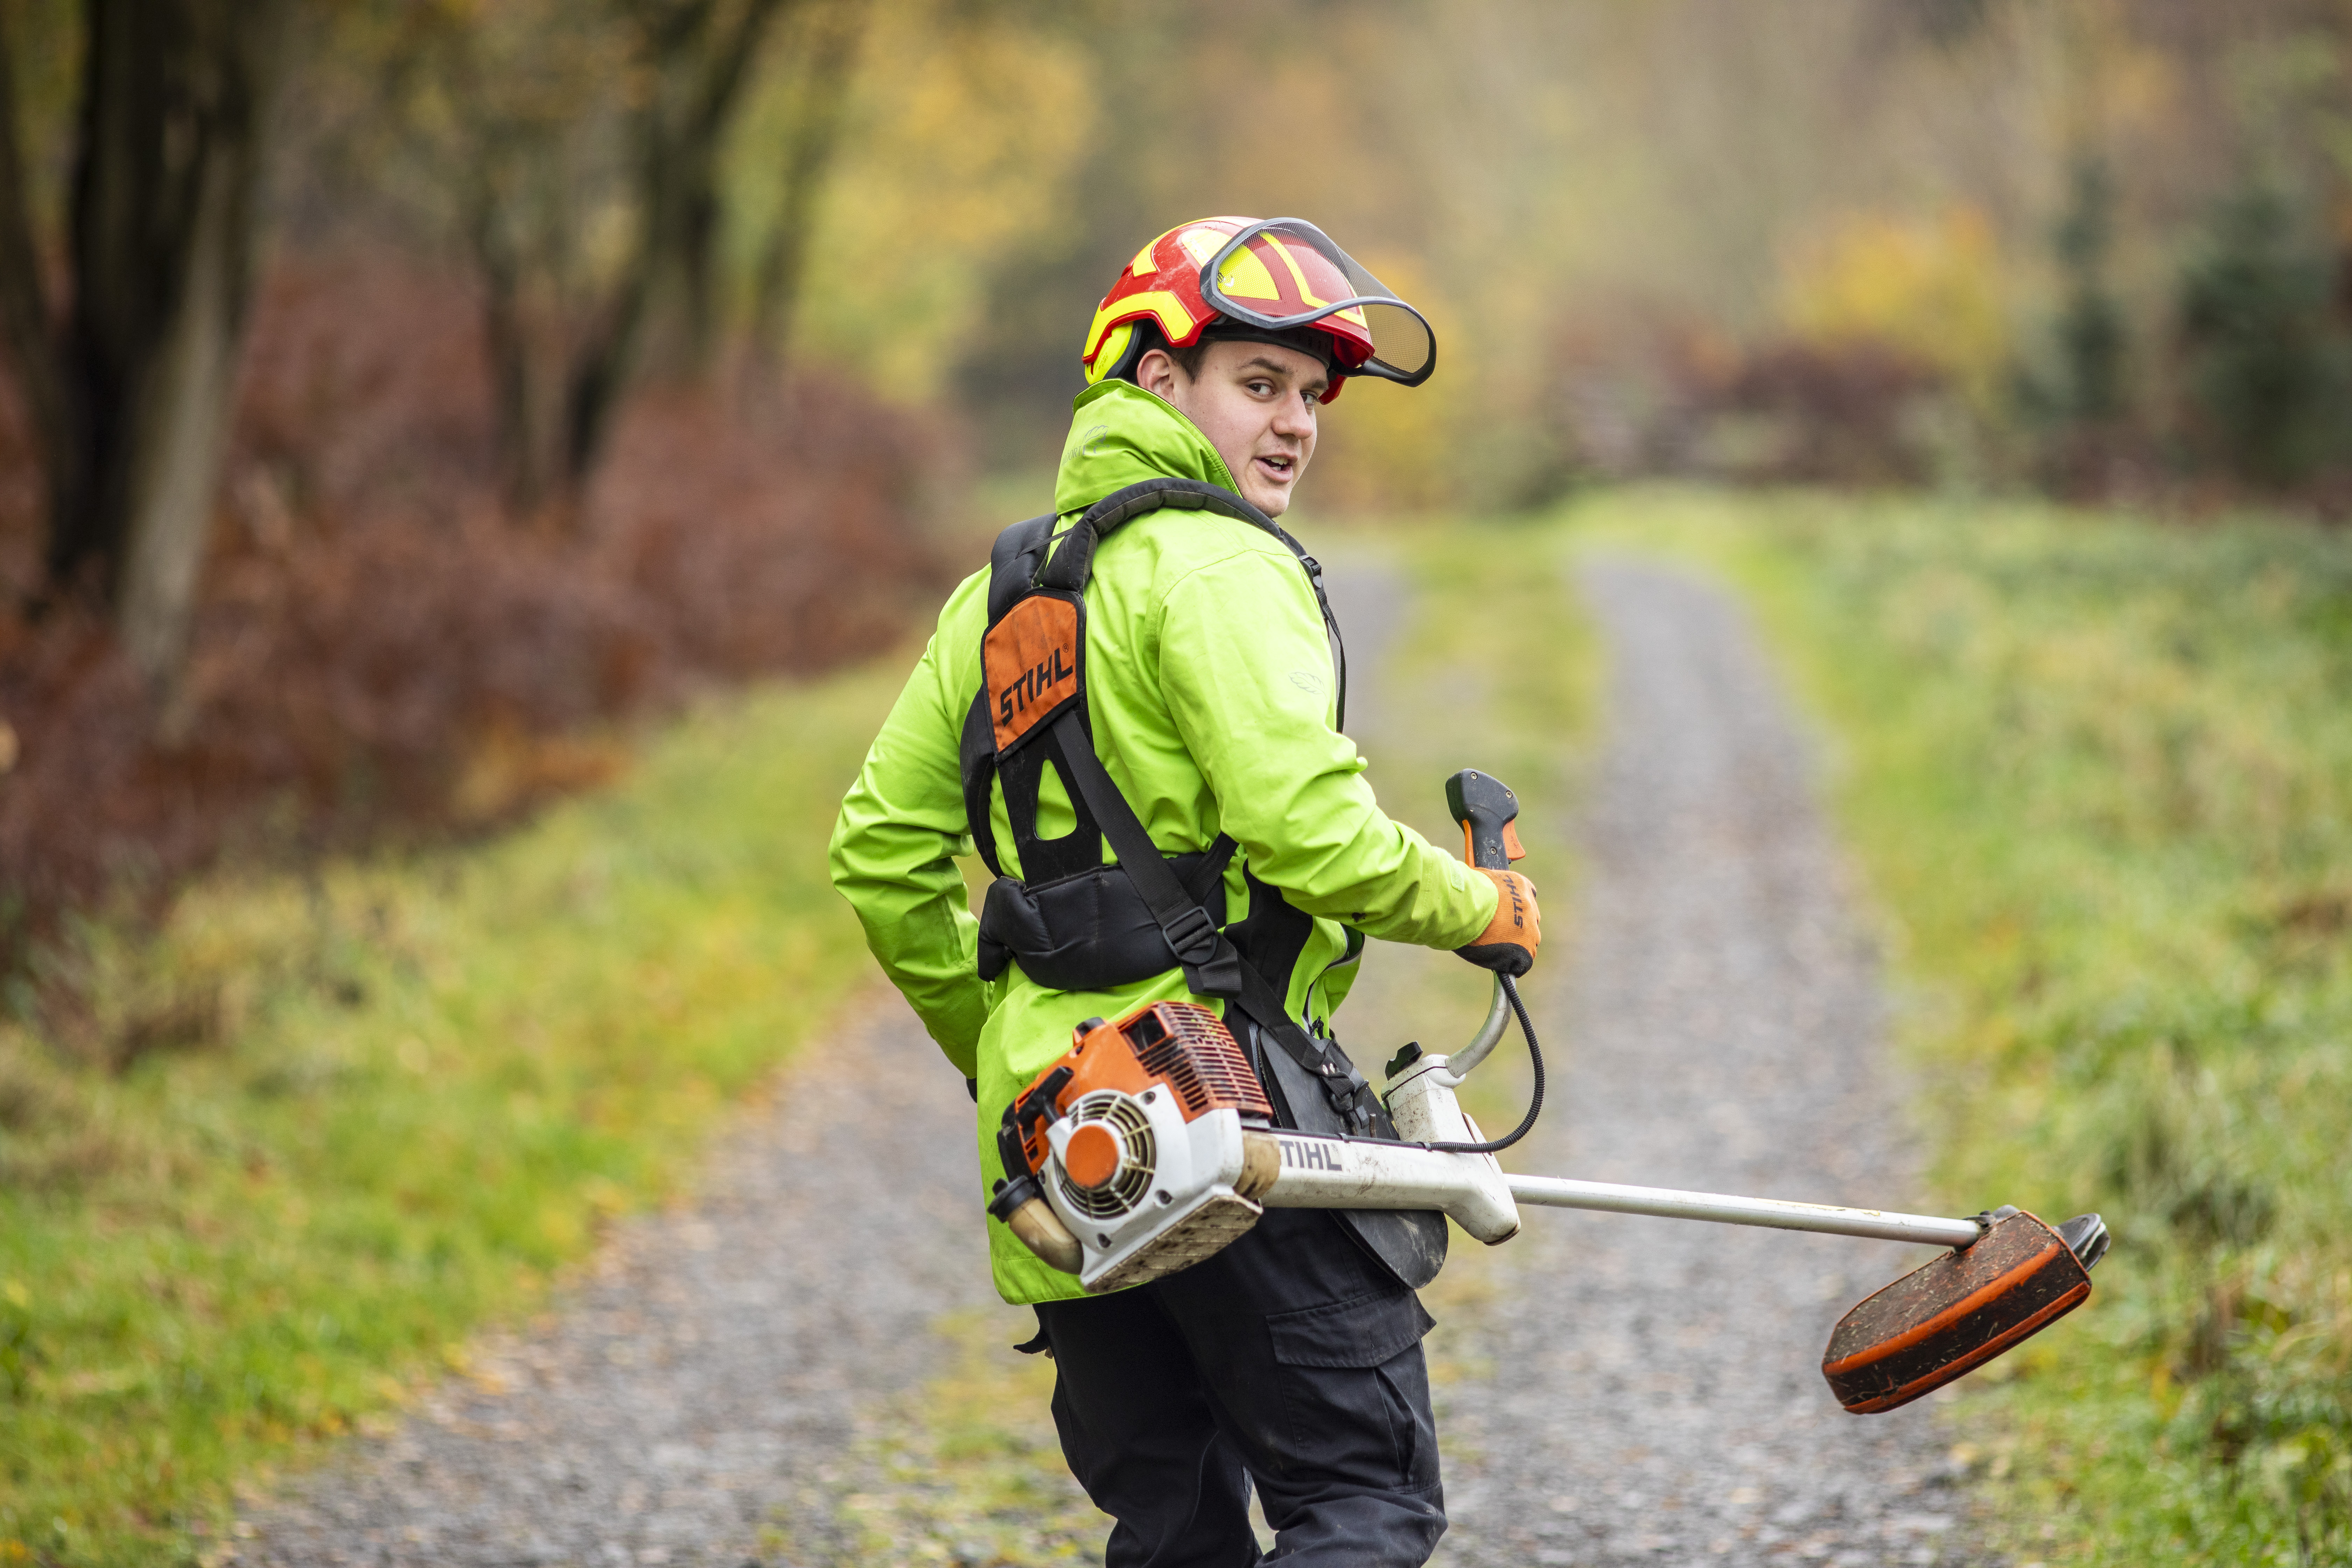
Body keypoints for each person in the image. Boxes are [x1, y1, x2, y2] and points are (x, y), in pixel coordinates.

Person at [828, 215, 1541, 1566]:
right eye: (1259, 384)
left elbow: (876, 858)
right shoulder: (1225, 565)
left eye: (1311, 395)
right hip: (1229, 1122)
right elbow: (1309, 835)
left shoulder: (995, 596)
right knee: (1363, 1504)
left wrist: (1009, 1053)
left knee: (1175, 1537)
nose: (1297, 425)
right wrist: (1479, 905)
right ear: (1159, 379)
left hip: (1064, 1154)